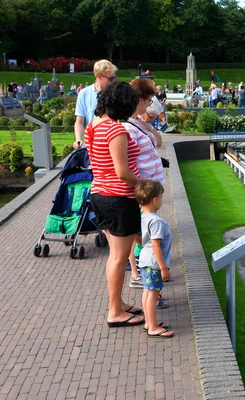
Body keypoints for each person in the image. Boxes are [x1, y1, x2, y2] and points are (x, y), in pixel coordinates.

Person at [85, 81, 143, 328]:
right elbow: (122, 172)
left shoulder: (94, 125)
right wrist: (144, 183)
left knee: (115, 256)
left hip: (100, 195)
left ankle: (118, 305)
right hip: (118, 198)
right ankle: (114, 312)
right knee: (119, 258)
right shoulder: (115, 130)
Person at [124, 79, 166, 289]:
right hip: (143, 189)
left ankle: (145, 270)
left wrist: (147, 125)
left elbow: (157, 141)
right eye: (148, 101)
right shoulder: (127, 126)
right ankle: (139, 273)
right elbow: (128, 163)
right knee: (141, 235)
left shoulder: (136, 123)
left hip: (150, 188)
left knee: (146, 233)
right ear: (140, 100)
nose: (149, 105)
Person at [135, 180, 173, 338]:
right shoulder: (156, 221)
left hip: (144, 260)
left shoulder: (142, 217)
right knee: (153, 294)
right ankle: (153, 327)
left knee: (147, 292)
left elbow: (137, 238)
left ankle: (148, 322)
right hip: (153, 263)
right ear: (155, 200)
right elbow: (156, 246)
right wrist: (163, 267)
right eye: (162, 197)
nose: (162, 201)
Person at [74, 60, 118, 149]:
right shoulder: (84, 93)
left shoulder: (117, 92)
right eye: (111, 78)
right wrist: (78, 139)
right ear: (99, 77)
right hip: (93, 143)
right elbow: (79, 121)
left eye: (114, 77)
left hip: (113, 140)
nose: (114, 81)